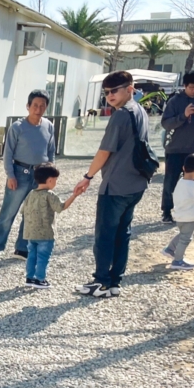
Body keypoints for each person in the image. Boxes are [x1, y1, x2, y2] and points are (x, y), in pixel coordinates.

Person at [71, 71, 154, 298]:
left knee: (105, 235)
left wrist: (88, 177)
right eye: (106, 92)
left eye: (114, 91)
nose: (109, 96)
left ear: (130, 88)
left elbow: (105, 150)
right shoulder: (140, 111)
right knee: (122, 233)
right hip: (136, 183)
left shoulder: (121, 115)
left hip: (116, 185)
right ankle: (115, 281)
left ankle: (101, 282)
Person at [0, 89, 56, 262]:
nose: (38, 109)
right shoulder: (17, 127)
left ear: (46, 107)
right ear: (28, 106)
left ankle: (22, 248)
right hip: (19, 174)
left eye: (42, 106)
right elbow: (8, 154)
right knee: (8, 213)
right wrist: (11, 175)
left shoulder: (49, 126)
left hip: (39, 176)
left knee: (31, 214)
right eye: (35, 105)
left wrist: (50, 175)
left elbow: (51, 152)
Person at [160, 71, 194, 223]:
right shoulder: (175, 101)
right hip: (175, 148)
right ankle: (167, 211)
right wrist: (183, 115)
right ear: (184, 86)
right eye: (191, 87)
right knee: (170, 181)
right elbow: (165, 123)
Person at [19, 163, 79, 288]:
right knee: (43, 257)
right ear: (50, 180)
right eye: (56, 180)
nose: (56, 182)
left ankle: (29, 278)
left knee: (32, 256)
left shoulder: (31, 194)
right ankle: (40, 279)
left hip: (30, 232)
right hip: (46, 233)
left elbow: (23, 210)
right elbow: (61, 207)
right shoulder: (49, 195)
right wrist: (74, 195)